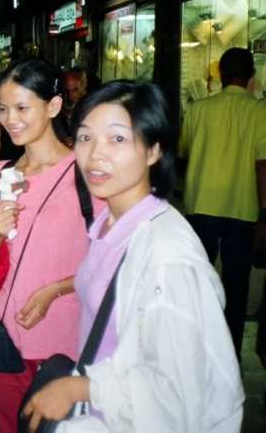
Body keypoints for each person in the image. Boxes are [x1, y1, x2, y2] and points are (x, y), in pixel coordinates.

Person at [23, 80, 243, 432]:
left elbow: (182, 388)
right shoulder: (111, 224)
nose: (95, 154)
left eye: (117, 139)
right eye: (85, 137)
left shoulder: (167, 257)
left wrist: (80, 388)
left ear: (154, 150)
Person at [0, 57, 101, 433]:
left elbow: (113, 262)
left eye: (23, 107)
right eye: (4, 109)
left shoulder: (86, 174)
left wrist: (55, 290)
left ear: (53, 106)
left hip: (67, 343)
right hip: (7, 341)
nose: (11, 119)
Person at [179, 47, 266, 363]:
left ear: (220, 74)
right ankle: (230, 358)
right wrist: (264, 215)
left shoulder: (199, 110)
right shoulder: (259, 112)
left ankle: (195, 354)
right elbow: (263, 166)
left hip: (200, 205)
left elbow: (185, 152)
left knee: (196, 284)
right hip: (241, 210)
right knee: (236, 286)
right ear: (252, 77)